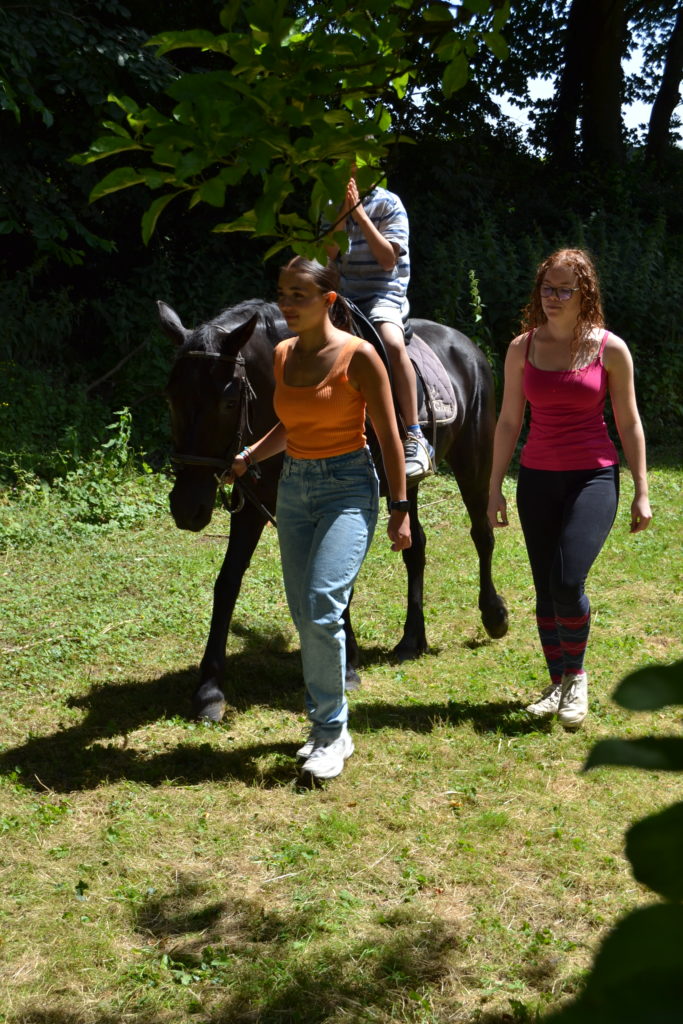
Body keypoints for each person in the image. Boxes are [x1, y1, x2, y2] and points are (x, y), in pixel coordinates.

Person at [229, 257, 411, 780]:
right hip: (294, 488)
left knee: (322, 604)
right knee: (304, 613)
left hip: (348, 486)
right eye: (282, 293)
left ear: (328, 300)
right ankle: (326, 725)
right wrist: (250, 455)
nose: (287, 304)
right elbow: (291, 424)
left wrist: (400, 509)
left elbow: (389, 437)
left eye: (299, 295)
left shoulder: (359, 356)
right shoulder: (282, 354)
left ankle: (331, 732)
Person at [487, 248, 652, 730]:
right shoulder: (522, 349)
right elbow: (508, 422)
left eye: (564, 289)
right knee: (545, 586)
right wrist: (494, 488)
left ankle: (575, 677)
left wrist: (641, 489)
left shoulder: (610, 349)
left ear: (585, 295)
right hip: (537, 478)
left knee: (566, 580)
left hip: (592, 476)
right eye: (548, 288)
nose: (553, 297)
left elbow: (629, 422)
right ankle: (557, 682)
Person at [325, 169, 434, 482]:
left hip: (383, 293)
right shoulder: (329, 204)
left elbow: (388, 260)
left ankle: (414, 435)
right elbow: (328, 254)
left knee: (391, 342)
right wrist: (342, 214)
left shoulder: (389, 204)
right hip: (342, 294)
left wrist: (360, 214)